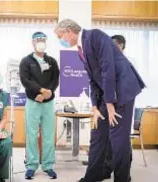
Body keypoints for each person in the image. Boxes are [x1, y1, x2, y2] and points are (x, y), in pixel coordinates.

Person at [54, 19, 145, 182]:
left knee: (118, 138)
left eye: (61, 36)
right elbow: (93, 80)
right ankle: (93, 175)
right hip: (107, 92)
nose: (61, 41)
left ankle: (122, 178)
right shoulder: (81, 49)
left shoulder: (95, 36)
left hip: (122, 89)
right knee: (97, 133)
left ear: (69, 31)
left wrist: (109, 103)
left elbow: (107, 68)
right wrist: (96, 106)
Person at [19, 32, 60, 180]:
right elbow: (25, 80)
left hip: (48, 103)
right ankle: (31, 165)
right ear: (32, 42)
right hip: (33, 102)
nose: (41, 42)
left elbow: (55, 79)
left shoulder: (52, 61)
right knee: (32, 135)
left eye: (43, 39)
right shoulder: (26, 61)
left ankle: (48, 165)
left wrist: (47, 92)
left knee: (48, 135)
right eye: (38, 40)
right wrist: (40, 91)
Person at [102, 35, 132, 181]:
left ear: (121, 46)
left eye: (115, 45)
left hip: (122, 105)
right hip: (110, 105)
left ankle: (123, 176)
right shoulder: (110, 62)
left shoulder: (126, 64)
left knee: (121, 142)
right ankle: (107, 169)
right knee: (109, 139)